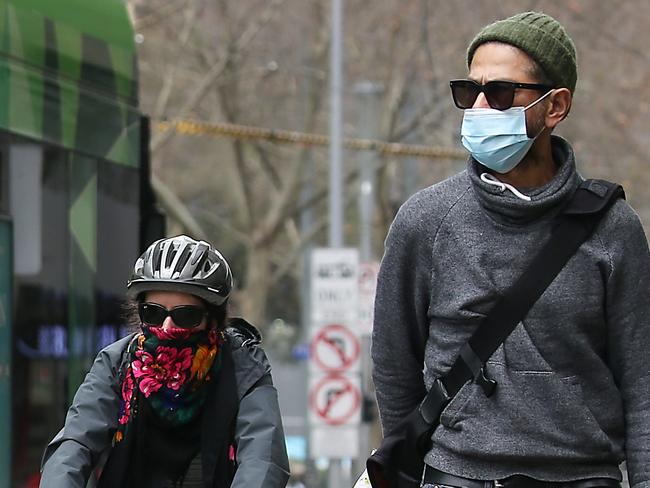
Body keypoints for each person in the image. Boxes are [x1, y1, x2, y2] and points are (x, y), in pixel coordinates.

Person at [372, 11, 649, 488]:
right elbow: (395, 368)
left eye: (499, 92)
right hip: (455, 476)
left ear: (555, 106)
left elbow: (642, 381)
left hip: (584, 477)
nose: (479, 106)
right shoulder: (425, 220)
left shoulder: (612, 227)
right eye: (468, 92)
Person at [40, 235, 290, 488]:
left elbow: (263, 460)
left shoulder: (244, 368)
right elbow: (75, 443)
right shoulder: (117, 362)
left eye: (186, 316)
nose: (167, 327)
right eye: (153, 313)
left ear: (213, 320)